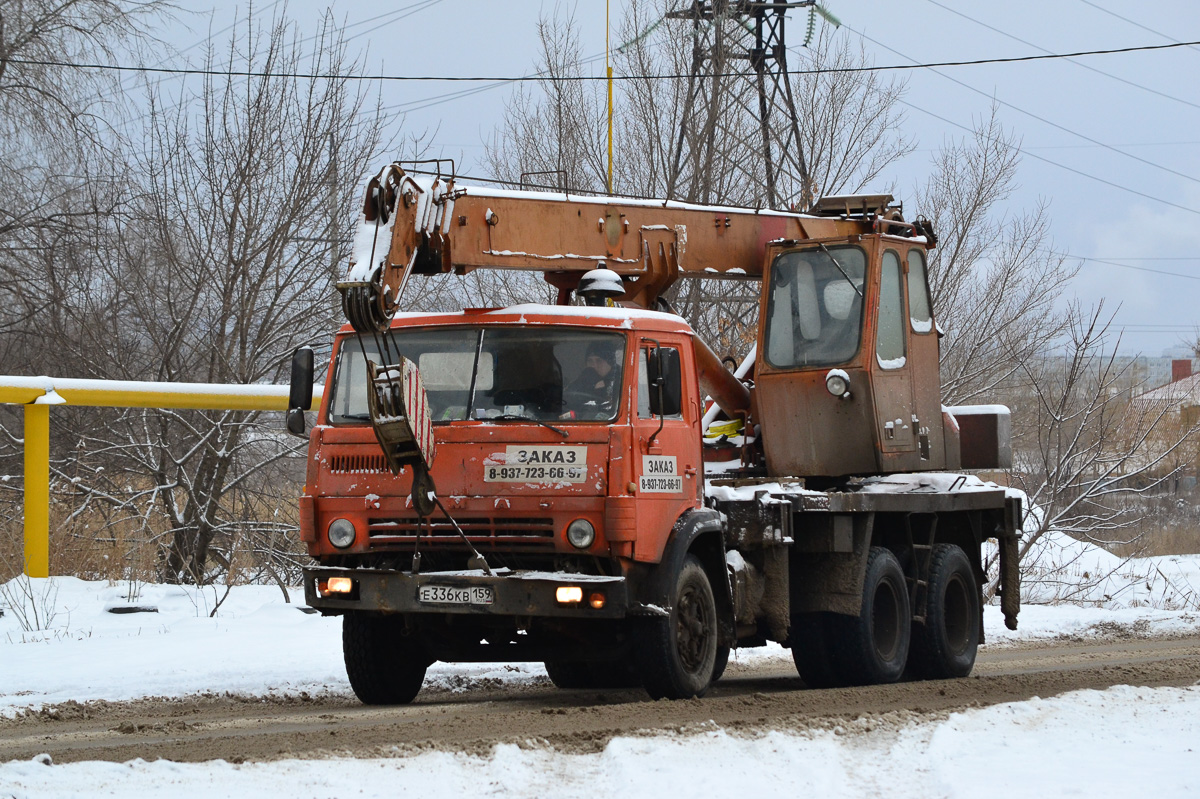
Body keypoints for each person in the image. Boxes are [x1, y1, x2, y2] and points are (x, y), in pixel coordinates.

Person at [567, 342, 620, 410]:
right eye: (590, 361)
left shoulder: (621, 382)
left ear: (610, 363)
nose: (594, 365)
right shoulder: (581, 381)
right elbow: (567, 402)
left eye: (599, 361)